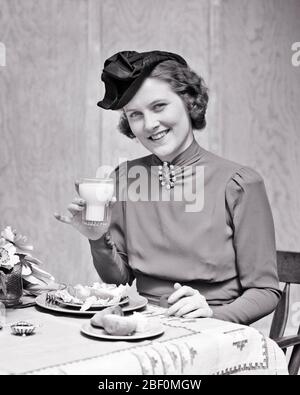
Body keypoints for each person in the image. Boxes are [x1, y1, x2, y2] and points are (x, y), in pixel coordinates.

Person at [55, 50, 281, 325]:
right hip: (143, 329)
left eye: (159, 106)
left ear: (189, 102)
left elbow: (265, 291)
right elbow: (120, 281)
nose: (150, 124)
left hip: (216, 332)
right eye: (135, 114)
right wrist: (97, 238)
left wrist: (212, 314)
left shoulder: (240, 183)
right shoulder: (125, 178)